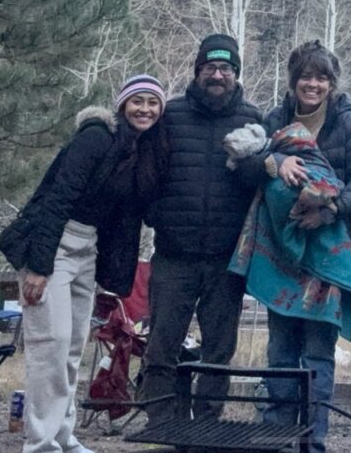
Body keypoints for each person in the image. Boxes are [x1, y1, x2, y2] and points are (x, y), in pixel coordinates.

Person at [9, 74, 167, 453]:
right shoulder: (96, 137)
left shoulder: (141, 152)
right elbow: (56, 199)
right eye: (137, 101)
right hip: (55, 245)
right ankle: (41, 442)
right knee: (51, 344)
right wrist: (38, 267)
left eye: (153, 103)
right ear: (122, 104)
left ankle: (63, 434)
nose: (144, 109)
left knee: (74, 345)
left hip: (88, 251)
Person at [138, 33, 264, 425]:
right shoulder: (170, 115)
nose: (217, 75)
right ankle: (160, 423)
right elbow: (147, 172)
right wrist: (155, 214)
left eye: (225, 68)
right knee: (161, 345)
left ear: (236, 74)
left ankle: (208, 426)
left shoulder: (254, 121)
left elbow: (261, 186)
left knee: (219, 351)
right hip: (174, 254)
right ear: (197, 72)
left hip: (227, 260)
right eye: (209, 67)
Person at [259, 39, 351, 453]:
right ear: (293, 81)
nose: (313, 84)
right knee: (280, 349)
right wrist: (275, 161)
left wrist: (330, 210)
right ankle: (276, 436)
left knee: (318, 352)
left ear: (332, 82)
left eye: (321, 77)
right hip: (281, 252)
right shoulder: (275, 118)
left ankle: (312, 439)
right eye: (306, 76)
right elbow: (249, 162)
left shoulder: (348, 123)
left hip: (328, 251)